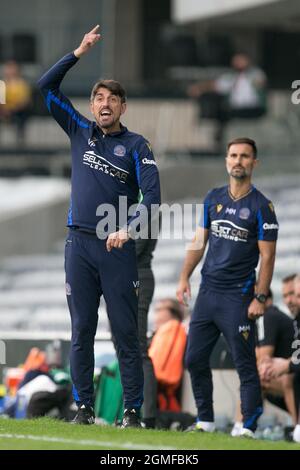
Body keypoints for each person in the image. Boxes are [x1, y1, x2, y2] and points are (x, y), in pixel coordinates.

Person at [37, 25, 161, 427]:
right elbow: (46, 86)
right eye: (98, 98)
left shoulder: (138, 146)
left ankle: (132, 413)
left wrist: (127, 230)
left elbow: (152, 199)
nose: (104, 104)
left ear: (123, 107)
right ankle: (84, 408)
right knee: (81, 331)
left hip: (117, 249)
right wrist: (79, 51)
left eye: (112, 99)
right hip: (79, 246)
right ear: (92, 106)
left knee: (126, 335)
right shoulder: (79, 130)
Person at [177, 137, 279, 438]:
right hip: (208, 294)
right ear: (226, 160)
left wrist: (260, 297)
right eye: (233, 155)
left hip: (238, 297)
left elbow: (268, 255)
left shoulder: (262, 206)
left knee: (244, 364)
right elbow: (199, 241)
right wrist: (184, 276)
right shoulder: (213, 197)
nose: (238, 161)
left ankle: (246, 426)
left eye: (245, 156)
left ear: (254, 163)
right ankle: (205, 420)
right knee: (194, 359)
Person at [187, 53, 267, 149]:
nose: (238, 64)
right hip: (235, 109)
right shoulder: (231, 77)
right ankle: (219, 143)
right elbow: (216, 85)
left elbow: (261, 82)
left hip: (254, 108)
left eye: (241, 61)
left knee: (225, 112)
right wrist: (199, 88)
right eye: (236, 61)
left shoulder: (256, 73)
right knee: (220, 112)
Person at [263, 274, 300, 443]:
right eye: (286, 296)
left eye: (295, 295)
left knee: (289, 378)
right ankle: (242, 427)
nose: (290, 301)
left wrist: (287, 365)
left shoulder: (272, 316)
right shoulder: (295, 320)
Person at [149, 298, 187, 413]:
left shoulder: (173, 328)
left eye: (160, 309)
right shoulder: (161, 332)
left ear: (172, 312)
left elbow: (160, 373)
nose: (156, 314)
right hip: (158, 392)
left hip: (160, 393)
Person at [135, 237, 158, 429]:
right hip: (122, 279)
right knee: (123, 348)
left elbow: (134, 248)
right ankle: (131, 412)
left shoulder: (145, 207)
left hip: (138, 278)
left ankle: (148, 416)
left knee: (138, 349)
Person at [0, 60, 32, 143]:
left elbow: (24, 100)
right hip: (4, 111)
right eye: (8, 68)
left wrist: (12, 109)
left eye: (12, 68)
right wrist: (4, 109)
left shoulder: (22, 84)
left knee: (21, 115)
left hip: (17, 111)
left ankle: (20, 138)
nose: (10, 71)